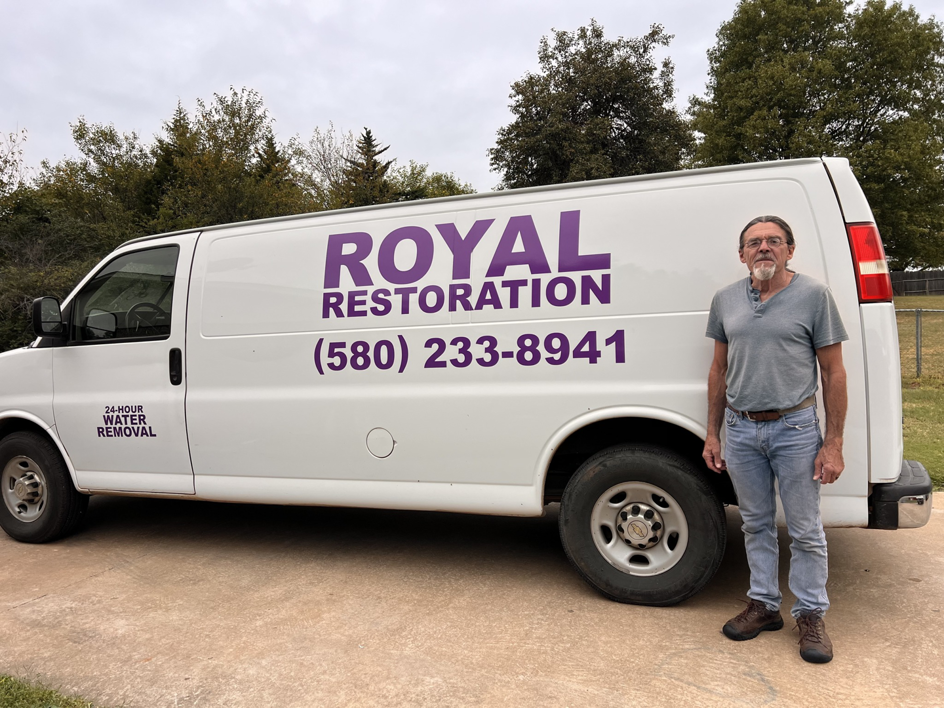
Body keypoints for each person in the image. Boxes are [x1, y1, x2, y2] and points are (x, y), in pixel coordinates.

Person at [702, 215, 848, 664]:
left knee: (805, 530)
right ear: (741, 253)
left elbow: (833, 371)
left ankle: (810, 615)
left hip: (796, 428)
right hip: (742, 428)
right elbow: (718, 370)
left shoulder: (814, 296)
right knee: (755, 523)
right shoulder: (725, 300)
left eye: (773, 241)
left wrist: (834, 442)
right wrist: (714, 432)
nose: (764, 248)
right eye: (754, 242)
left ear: (789, 249)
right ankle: (764, 605)